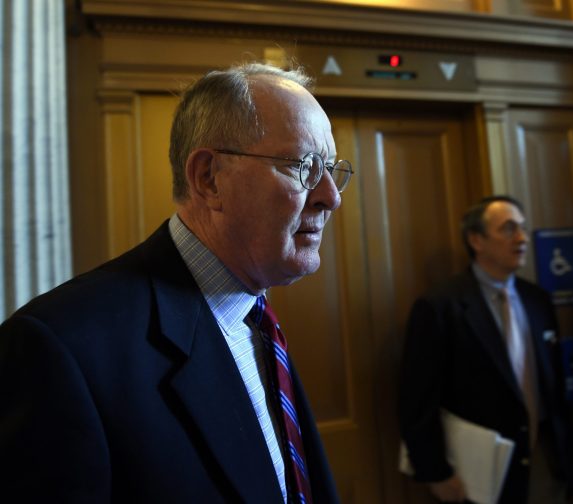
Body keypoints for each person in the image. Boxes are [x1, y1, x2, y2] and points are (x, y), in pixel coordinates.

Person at [0, 62, 353, 502]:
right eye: (304, 165)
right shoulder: (61, 348)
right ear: (208, 179)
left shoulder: (255, 317)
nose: (331, 196)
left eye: (333, 169)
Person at [398, 196, 573, 503]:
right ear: (476, 240)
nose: (521, 238)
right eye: (508, 229)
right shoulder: (441, 306)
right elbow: (417, 400)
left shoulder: (537, 300)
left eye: (522, 228)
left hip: (544, 464)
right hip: (479, 473)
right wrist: (435, 472)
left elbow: (554, 387)